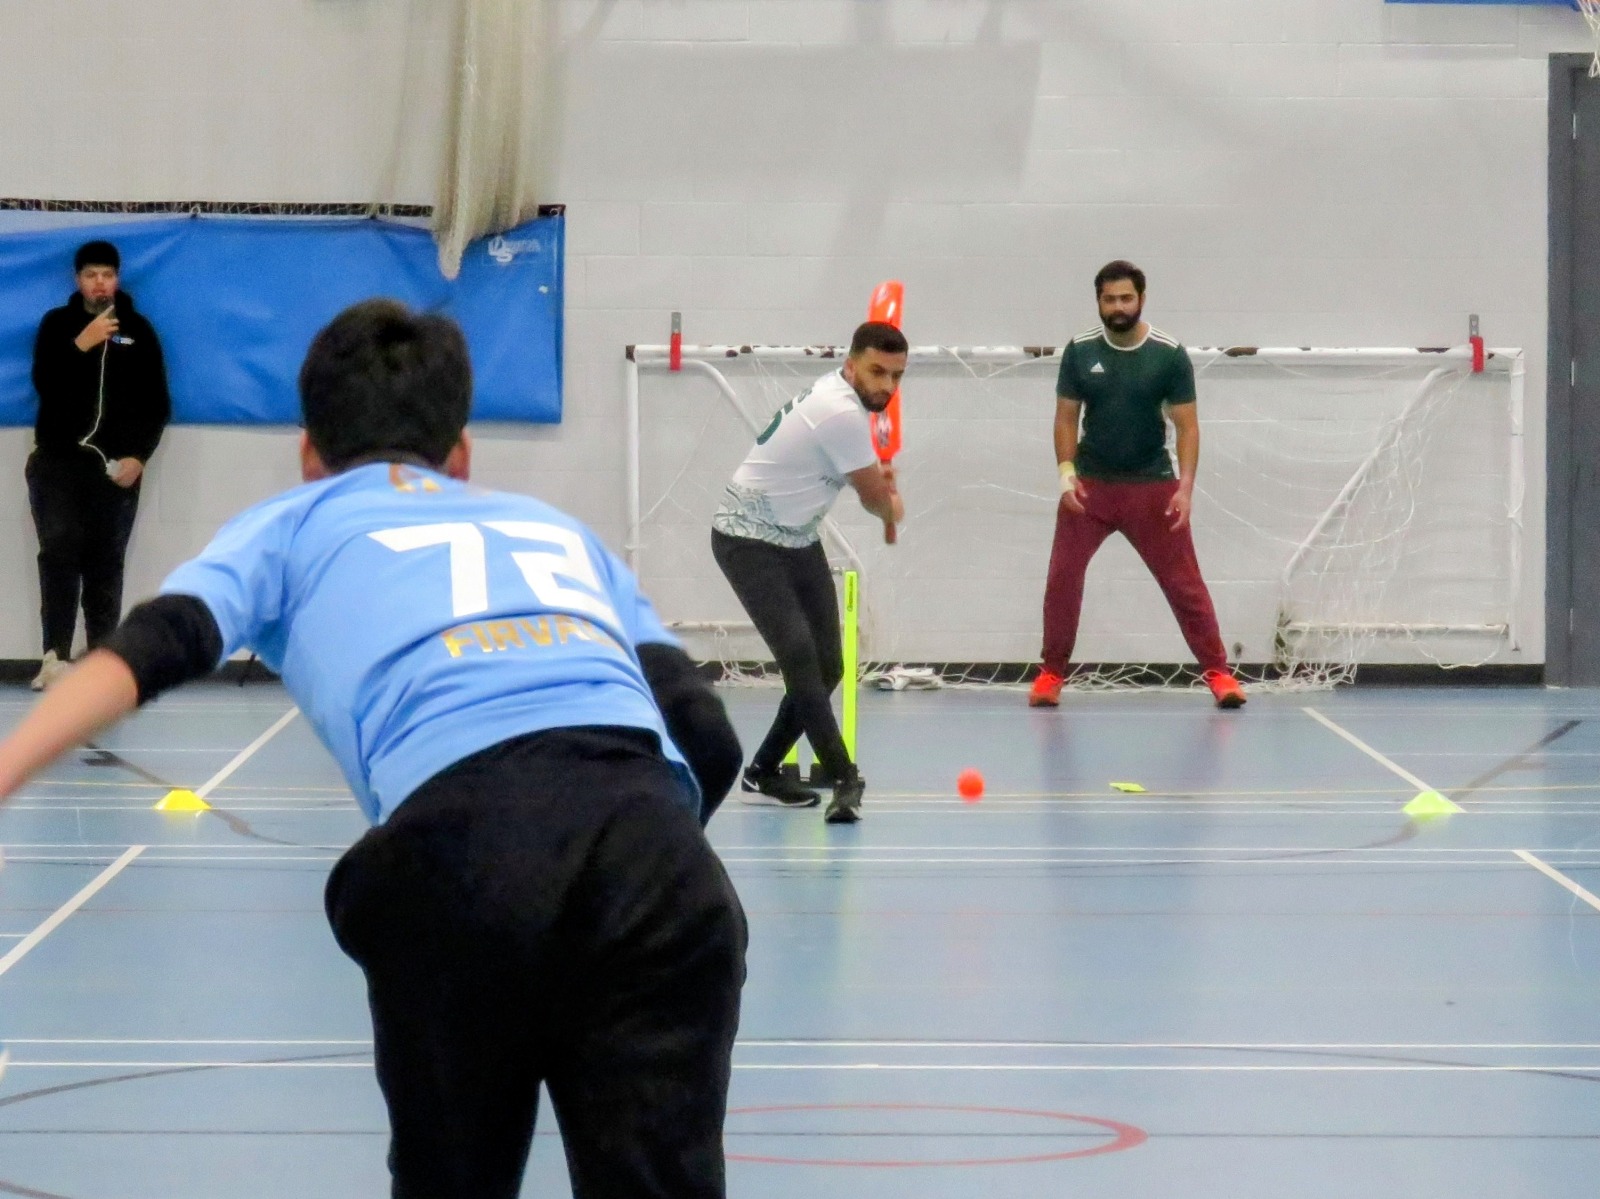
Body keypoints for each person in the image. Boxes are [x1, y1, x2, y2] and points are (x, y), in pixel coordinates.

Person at [0, 300, 747, 1199]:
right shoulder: (560, 535)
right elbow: (706, 734)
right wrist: (634, 860)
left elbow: (150, 649)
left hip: (462, 858)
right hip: (657, 860)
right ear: (462, 452)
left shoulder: (292, 523)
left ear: (308, 453)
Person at [711, 320, 906, 824]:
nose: (885, 385)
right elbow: (874, 502)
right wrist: (891, 505)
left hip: (796, 538)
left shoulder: (842, 398)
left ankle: (763, 771)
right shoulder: (839, 413)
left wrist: (881, 495)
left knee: (829, 667)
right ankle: (845, 777)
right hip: (747, 539)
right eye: (876, 371)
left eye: (896, 376)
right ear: (851, 365)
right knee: (800, 655)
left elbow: (867, 490)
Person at [1031, 260, 1247, 710]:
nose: (1118, 307)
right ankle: (1051, 673)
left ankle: (1219, 674)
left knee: (1184, 584)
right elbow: (1065, 417)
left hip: (1152, 487)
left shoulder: (1168, 354)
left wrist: (1184, 488)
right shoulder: (1079, 351)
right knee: (1062, 578)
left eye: (1126, 298)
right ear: (1099, 302)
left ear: (1141, 299)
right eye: (1109, 299)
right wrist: (1066, 476)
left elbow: (1187, 427)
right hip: (1089, 488)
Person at [28, 239, 171, 691]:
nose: (100, 283)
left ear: (118, 279)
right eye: (91, 275)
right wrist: (81, 346)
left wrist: (138, 456)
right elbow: (45, 384)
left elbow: (158, 404)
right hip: (58, 462)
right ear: (78, 280)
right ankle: (54, 658)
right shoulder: (57, 325)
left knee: (107, 562)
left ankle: (103, 661)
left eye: (107, 274)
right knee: (59, 552)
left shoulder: (139, 331)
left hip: (115, 467)